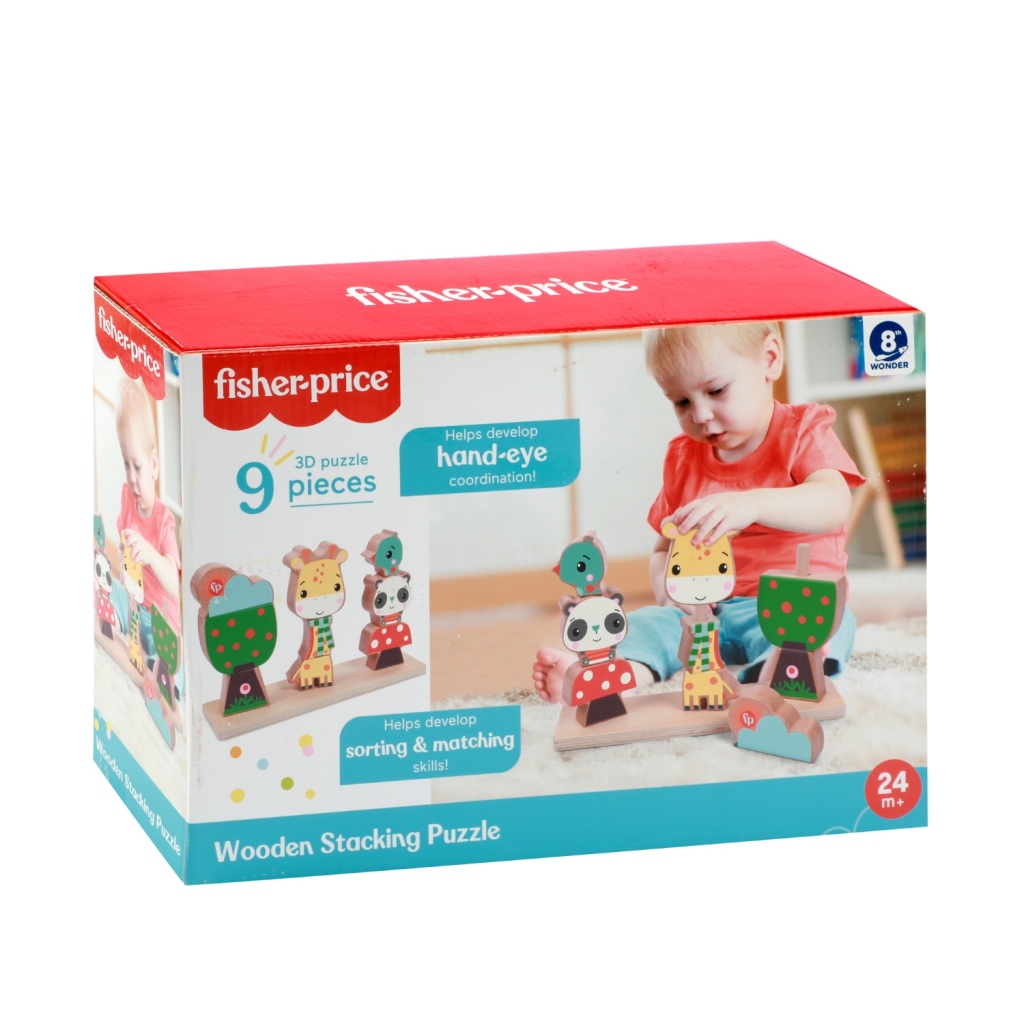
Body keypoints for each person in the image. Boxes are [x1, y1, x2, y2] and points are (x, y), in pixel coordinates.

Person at [534, 321, 865, 701]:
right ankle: (607, 676)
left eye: (716, 390)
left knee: (829, 620)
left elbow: (833, 502)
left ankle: (785, 669)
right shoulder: (682, 458)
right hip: (705, 614)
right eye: (681, 402)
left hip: (789, 602)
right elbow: (663, 550)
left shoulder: (802, 430)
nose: (701, 414)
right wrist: (668, 596)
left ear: (770, 359)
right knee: (645, 624)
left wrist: (752, 503)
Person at [112, 379, 181, 659]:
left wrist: (151, 555)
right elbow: (121, 547)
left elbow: (175, 588)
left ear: (153, 465)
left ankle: (154, 661)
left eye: (137, 466)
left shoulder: (164, 520)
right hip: (135, 605)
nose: (131, 477)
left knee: (159, 654)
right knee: (106, 590)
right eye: (126, 464)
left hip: (159, 619)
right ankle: (122, 629)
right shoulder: (127, 497)